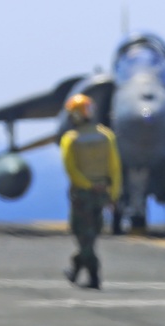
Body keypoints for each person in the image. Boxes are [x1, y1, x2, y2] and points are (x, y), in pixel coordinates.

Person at [59, 93, 122, 290]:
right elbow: (115, 168)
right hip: (102, 193)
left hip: (82, 195)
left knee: (82, 235)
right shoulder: (107, 136)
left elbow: (71, 169)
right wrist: (113, 195)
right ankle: (77, 267)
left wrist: (87, 185)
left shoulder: (70, 139)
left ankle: (94, 276)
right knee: (91, 235)